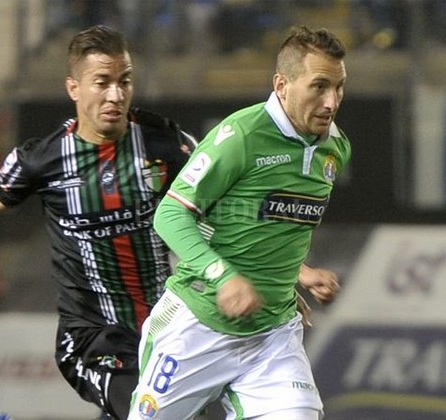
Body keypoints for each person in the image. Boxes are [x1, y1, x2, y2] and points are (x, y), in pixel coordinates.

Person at [0, 25, 196, 419]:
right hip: (93, 339)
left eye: (125, 81)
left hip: (167, 330)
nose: (116, 95)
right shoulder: (43, 159)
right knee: (154, 412)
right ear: (73, 88)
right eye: (102, 82)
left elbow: (223, 205)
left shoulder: (167, 144)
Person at [128, 25, 350, 420]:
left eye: (339, 87)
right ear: (282, 85)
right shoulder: (241, 135)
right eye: (319, 86)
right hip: (197, 324)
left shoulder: (334, 148)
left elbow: (267, 224)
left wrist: (296, 274)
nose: (331, 101)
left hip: (272, 336)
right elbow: (170, 215)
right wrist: (225, 277)